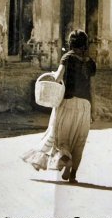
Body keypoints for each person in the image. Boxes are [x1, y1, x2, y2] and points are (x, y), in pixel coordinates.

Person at [22, 29, 96, 183]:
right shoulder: (90, 62)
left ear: (71, 43)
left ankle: (66, 160)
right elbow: (92, 89)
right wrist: (93, 110)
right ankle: (74, 174)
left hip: (67, 102)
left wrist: (54, 73)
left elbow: (58, 78)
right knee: (79, 141)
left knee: (61, 138)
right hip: (85, 106)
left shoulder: (67, 58)